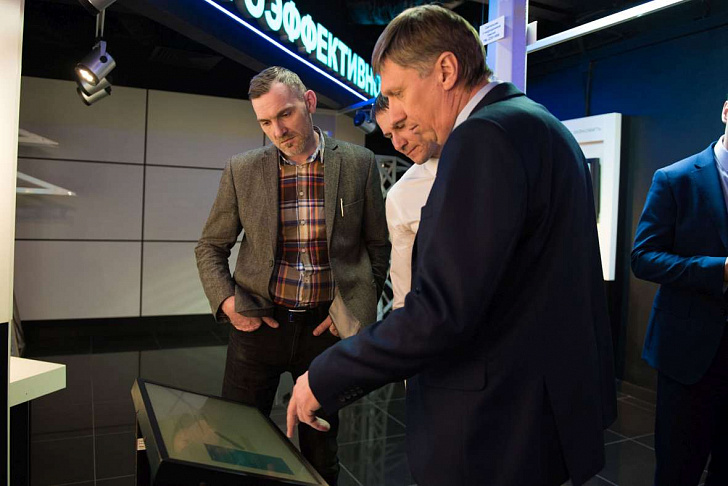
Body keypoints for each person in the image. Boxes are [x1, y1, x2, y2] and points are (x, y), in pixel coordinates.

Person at [286, 6, 617, 486]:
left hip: (492, 423)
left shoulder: (480, 136)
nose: (397, 113)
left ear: (445, 70)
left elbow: (442, 309)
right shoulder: (543, 126)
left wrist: (326, 375)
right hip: (541, 410)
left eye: (398, 92)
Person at [195, 66, 390, 485]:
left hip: (324, 330)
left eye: (285, 114)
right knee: (236, 441)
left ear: (310, 102)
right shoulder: (242, 169)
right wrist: (228, 303)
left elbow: (378, 246)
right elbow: (210, 246)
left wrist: (354, 309)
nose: (277, 131)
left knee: (321, 450)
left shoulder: (358, 163)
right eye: (265, 122)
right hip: (258, 326)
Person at [631, 98, 728, 486]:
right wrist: (719, 269)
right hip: (687, 354)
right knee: (677, 470)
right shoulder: (675, 178)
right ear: (726, 111)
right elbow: (643, 258)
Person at [373, 94, 441, 309]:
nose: (397, 144)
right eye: (389, 136)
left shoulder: (485, 159)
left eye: (401, 126)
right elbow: (403, 294)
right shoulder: (401, 196)